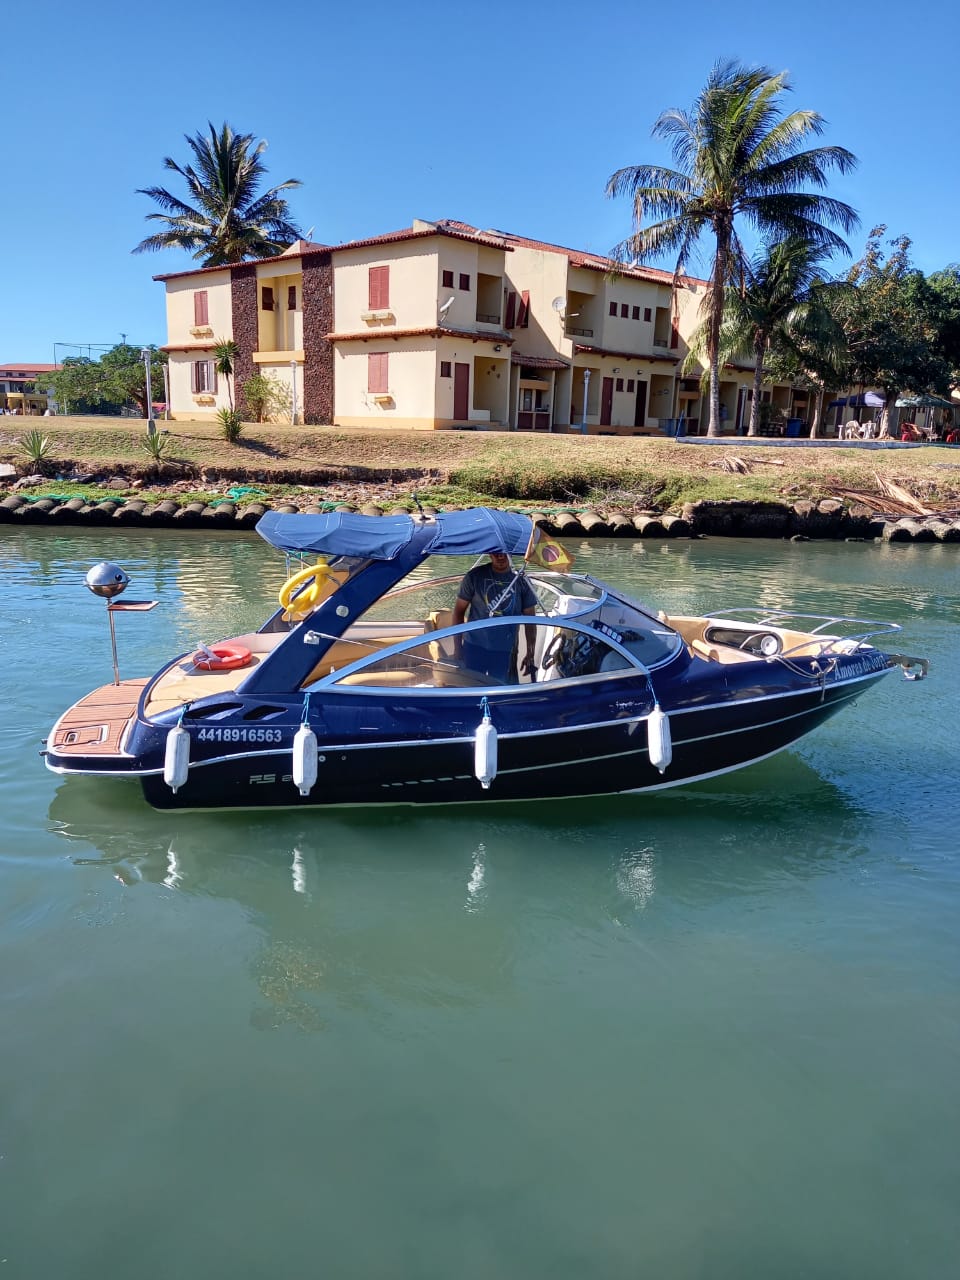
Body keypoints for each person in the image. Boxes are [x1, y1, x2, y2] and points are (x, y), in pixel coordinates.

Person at [452, 550, 538, 682]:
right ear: (489, 553)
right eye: (495, 553)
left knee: (501, 692)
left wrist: (530, 653)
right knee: (472, 689)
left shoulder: (522, 581)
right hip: (474, 646)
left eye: (504, 552)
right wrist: (457, 649)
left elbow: (530, 621)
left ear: (510, 554)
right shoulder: (474, 576)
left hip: (506, 650)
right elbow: (458, 612)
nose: (500, 556)